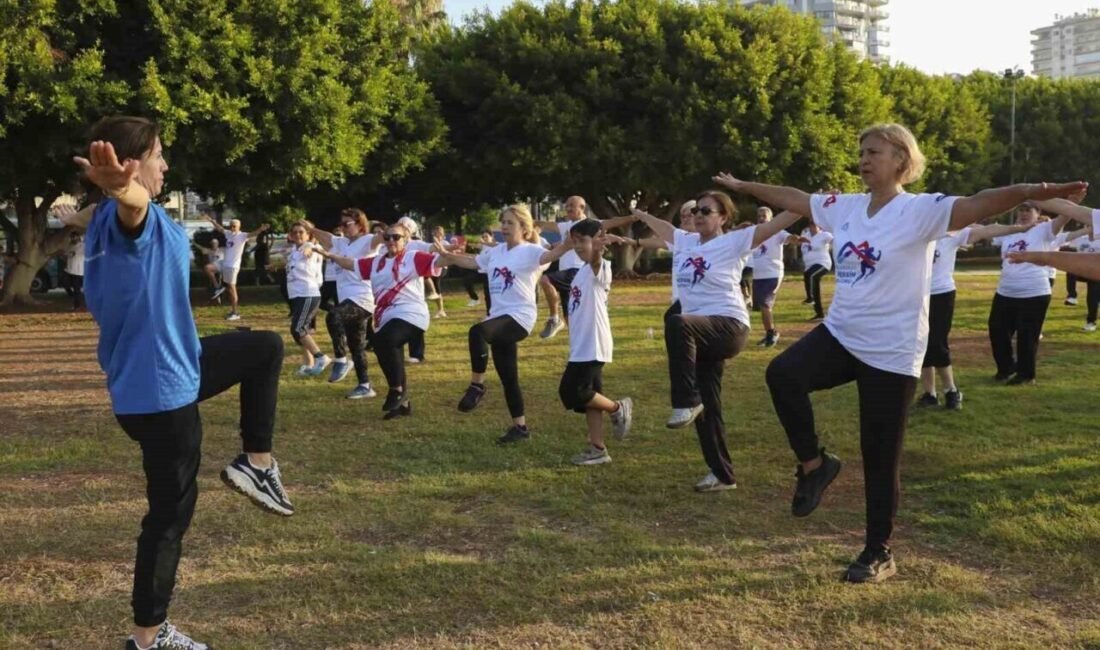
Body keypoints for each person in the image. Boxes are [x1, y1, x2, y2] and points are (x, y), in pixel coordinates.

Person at [718, 123, 1084, 584]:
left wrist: (1035, 190)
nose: (864, 159)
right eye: (862, 151)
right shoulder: (846, 207)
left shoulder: (920, 211)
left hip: (891, 350)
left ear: (900, 160)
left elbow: (979, 202)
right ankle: (815, 465)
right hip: (841, 333)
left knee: (880, 454)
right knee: (783, 375)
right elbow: (794, 197)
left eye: (873, 151)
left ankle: (877, 551)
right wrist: (741, 186)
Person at [66, 115, 293, 650]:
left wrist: (102, 190)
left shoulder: (101, 220)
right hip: (161, 395)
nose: (166, 164)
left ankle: (256, 463)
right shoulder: (129, 219)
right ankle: (148, 637)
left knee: (263, 347)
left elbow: (104, 208)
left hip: (170, 371)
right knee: (169, 519)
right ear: (130, 162)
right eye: (158, 155)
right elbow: (133, 205)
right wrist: (121, 186)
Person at [634, 194, 800, 492]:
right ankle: (722, 474)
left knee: (677, 323)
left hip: (729, 326)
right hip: (700, 332)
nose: (698, 215)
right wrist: (639, 214)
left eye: (706, 211)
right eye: (696, 210)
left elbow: (782, 220)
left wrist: (814, 202)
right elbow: (661, 226)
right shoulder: (686, 241)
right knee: (709, 405)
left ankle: (686, 400)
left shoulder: (735, 241)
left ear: (723, 217)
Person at [446, 204, 573, 444]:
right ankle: (520, 428)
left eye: (509, 223)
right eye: (502, 222)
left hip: (519, 317)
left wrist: (566, 244)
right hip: (498, 317)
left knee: (478, 332)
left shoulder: (530, 251)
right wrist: (448, 256)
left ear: (524, 228)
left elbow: (549, 256)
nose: (503, 227)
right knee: (508, 376)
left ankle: (476, 387)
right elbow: (473, 262)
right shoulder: (496, 252)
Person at [318, 221, 448, 419]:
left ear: (406, 240)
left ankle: (396, 390)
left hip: (412, 315)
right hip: (387, 316)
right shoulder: (377, 262)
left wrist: (452, 255)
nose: (391, 241)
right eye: (387, 237)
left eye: (396, 237)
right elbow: (352, 264)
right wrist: (332, 256)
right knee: (390, 351)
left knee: (383, 342)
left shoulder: (413, 257)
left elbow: (441, 262)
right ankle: (402, 405)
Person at [914, 222, 1031, 410]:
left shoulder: (952, 236)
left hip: (941, 294)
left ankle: (951, 390)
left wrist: (1020, 227)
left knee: (937, 343)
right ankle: (930, 393)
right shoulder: (917, 234)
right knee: (921, 342)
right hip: (918, 295)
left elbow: (989, 230)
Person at [556, 219, 634, 465]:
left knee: (571, 391)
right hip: (581, 345)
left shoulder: (599, 269)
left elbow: (597, 262)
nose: (578, 246)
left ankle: (618, 408)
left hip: (593, 345)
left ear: (597, 242)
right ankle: (598, 449)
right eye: (575, 241)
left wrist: (598, 252)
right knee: (591, 398)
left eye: (583, 241)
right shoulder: (579, 272)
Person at [987, 202, 1074, 385]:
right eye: (1021, 210)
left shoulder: (1044, 230)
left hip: (1033, 292)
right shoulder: (1010, 231)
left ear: (1038, 213)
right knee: (997, 330)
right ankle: (1006, 368)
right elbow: (982, 231)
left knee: (1027, 335)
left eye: (1029, 210)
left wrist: (1071, 202)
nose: (1024, 213)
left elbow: (1063, 218)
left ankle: (1026, 375)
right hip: (1006, 290)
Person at [535, 196, 635, 338]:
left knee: (545, 280)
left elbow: (612, 222)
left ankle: (554, 319)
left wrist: (633, 217)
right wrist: (528, 224)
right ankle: (576, 343)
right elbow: (543, 223)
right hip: (565, 272)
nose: (568, 208)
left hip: (577, 270)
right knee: (570, 314)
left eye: (572, 205)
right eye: (567, 205)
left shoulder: (590, 224)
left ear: (582, 208)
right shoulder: (564, 226)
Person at [306, 209, 378, 399]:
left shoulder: (367, 240)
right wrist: (309, 228)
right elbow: (326, 237)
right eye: (342, 224)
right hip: (347, 298)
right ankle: (365, 385)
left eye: (348, 224)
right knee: (357, 345)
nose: (343, 227)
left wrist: (394, 234)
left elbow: (380, 239)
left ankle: (340, 359)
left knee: (334, 316)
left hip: (363, 299)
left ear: (360, 225)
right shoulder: (341, 242)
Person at [284, 221, 330, 377]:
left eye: (301, 232)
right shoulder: (293, 251)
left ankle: (321, 357)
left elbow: (315, 249)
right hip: (296, 295)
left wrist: (311, 246)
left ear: (309, 234)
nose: (298, 235)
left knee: (298, 328)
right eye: (295, 232)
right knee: (301, 330)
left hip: (308, 293)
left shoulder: (311, 247)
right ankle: (309, 363)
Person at [204, 215, 270, 321]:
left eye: (234, 226)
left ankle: (235, 312)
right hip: (224, 263)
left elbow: (253, 234)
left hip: (232, 266)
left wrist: (261, 229)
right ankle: (217, 287)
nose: (232, 228)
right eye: (231, 226)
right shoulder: (229, 234)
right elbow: (220, 228)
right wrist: (211, 220)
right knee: (208, 268)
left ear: (239, 227)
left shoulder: (242, 236)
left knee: (231, 289)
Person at [750, 206, 799, 347]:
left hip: (773, 273)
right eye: (759, 215)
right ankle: (770, 332)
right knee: (761, 306)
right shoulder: (754, 232)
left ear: (771, 218)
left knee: (765, 304)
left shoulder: (777, 232)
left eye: (764, 215)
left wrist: (794, 238)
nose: (761, 218)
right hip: (757, 275)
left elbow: (788, 238)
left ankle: (772, 334)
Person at [798, 221, 833, 321]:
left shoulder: (824, 235)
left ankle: (810, 298)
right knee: (814, 286)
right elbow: (799, 244)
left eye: (815, 225)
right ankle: (819, 313)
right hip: (809, 265)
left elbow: (835, 241)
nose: (812, 227)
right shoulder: (805, 235)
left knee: (810, 275)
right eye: (811, 224)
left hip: (823, 263)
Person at [319, 223, 343, 311]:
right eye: (336, 235)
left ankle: (338, 314)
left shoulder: (345, 247)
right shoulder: (328, 247)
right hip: (328, 279)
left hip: (339, 279)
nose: (338, 236)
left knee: (338, 301)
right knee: (320, 301)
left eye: (339, 234)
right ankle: (334, 310)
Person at [63, 226, 86, 310]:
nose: (73, 238)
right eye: (72, 237)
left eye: (75, 237)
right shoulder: (70, 245)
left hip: (78, 271)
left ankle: (78, 305)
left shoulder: (83, 246)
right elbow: (65, 254)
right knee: (66, 284)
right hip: (69, 269)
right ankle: (77, 301)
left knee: (77, 289)